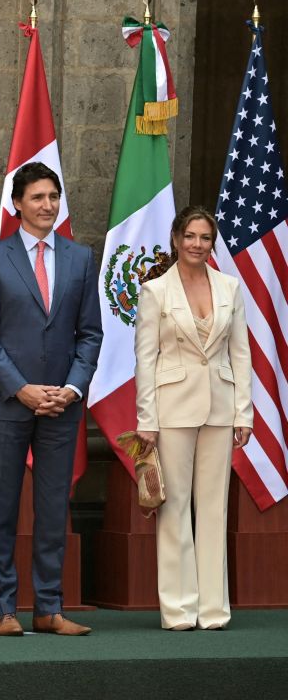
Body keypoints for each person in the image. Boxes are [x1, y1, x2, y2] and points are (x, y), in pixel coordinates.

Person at [0, 162, 102, 636]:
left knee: (52, 510)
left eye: (54, 197)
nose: (48, 205)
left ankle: (48, 609)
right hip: (7, 402)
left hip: (62, 405)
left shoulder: (81, 258)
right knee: (2, 508)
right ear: (18, 204)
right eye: (38, 197)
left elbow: (90, 335)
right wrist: (21, 388)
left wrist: (70, 388)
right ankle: (5, 609)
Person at [134, 206, 252, 631]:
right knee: (176, 507)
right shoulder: (155, 292)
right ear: (175, 238)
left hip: (221, 409)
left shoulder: (230, 287)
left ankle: (214, 610)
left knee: (214, 508)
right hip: (171, 410)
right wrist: (145, 419)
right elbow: (145, 360)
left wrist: (245, 414)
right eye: (190, 236)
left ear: (212, 242)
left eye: (205, 237)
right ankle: (179, 610)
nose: (197, 244)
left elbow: (241, 353)